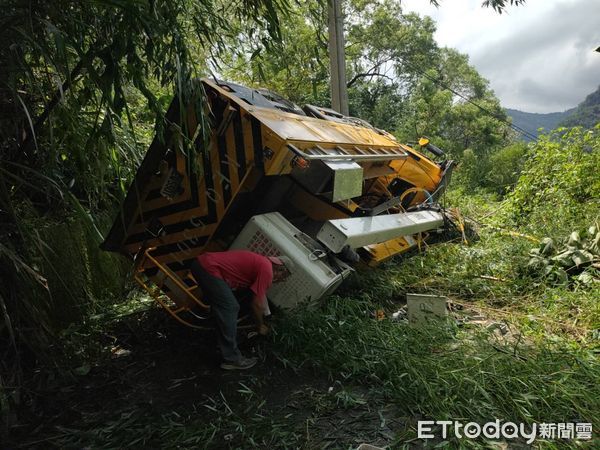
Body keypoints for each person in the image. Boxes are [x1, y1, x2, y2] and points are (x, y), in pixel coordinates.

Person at [190, 250, 292, 370]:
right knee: (231, 307)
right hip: (209, 269)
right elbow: (257, 304)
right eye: (283, 277)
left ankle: (222, 339)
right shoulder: (267, 270)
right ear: (281, 269)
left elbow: (260, 297)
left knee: (229, 304)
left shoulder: (261, 262)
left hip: (202, 263)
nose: (280, 281)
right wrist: (260, 325)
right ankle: (232, 359)